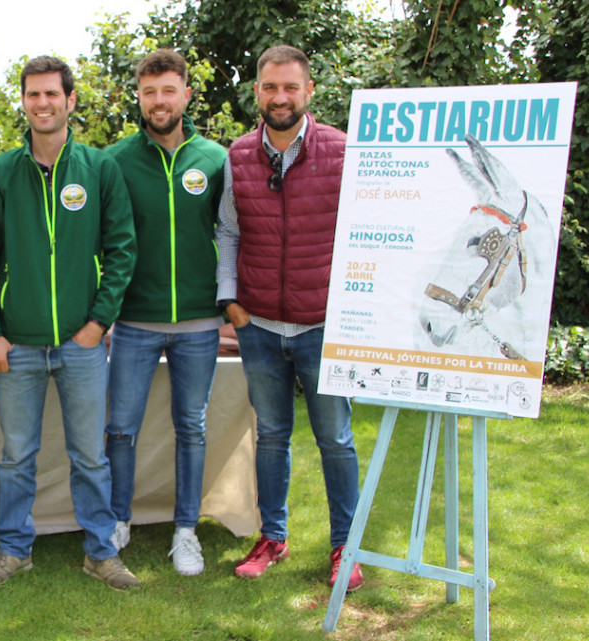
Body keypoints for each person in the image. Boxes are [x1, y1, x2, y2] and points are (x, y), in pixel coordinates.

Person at [0, 55, 140, 590]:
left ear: (69, 101)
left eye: (52, 94)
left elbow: (122, 250)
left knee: (90, 456)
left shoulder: (99, 168)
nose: (42, 103)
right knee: (16, 456)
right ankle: (14, 549)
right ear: (23, 101)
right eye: (33, 94)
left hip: (82, 344)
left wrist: (97, 323)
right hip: (15, 345)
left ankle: (100, 551)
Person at [215, 45, 363, 591]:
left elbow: (361, 234)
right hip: (259, 326)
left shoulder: (344, 151)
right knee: (272, 436)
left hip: (323, 325)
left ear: (309, 92)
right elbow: (228, 231)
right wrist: (230, 300)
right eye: (270, 88)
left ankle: (345, 547)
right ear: (257, 92)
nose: (281, 97)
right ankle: (272, 538)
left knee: (336, 440)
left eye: (291, 88)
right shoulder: (238, 155)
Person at [103, 49, 228, 576]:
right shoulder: (115, 161)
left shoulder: (215, 159)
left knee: (191, 428)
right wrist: (104, 310)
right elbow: (101, 243)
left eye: (169, 90)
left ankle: (184, 531)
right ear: (139, 96)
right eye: (150, 91)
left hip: (199, 323)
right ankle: (117, 519)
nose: (159, 101)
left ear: (186, 95)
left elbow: (232, 233)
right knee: (120, 428)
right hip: (133, 322)